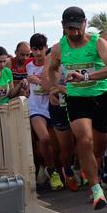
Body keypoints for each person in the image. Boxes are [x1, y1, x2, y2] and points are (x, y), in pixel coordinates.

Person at [44, 7, 107, 209]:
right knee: (84, 139)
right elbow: (49, 69)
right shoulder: (59, 48)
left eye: (78, 27)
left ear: (85, 23)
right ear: (63, 27)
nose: (75, 32)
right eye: (70, 28)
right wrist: (56, 87)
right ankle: (96, 190)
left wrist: (86, 77)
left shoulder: (98, 43)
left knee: (98, 147)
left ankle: (94, 174)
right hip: (77, 99)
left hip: (101, 97)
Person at [26, 33, 63, 191]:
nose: (38, 52)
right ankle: (51, 170)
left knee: (56, 146)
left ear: (46, 48)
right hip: (35, 108)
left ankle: (54, 169)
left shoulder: (52, 64)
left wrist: (39, 81)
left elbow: (55, 82)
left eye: (41, 48)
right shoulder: (29, 66)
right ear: (31, 50)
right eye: (35, 49)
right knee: (44, 139)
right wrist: (26, 82)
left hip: (52, 106)